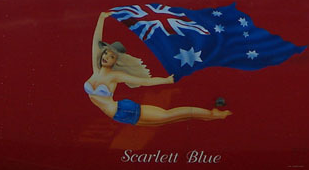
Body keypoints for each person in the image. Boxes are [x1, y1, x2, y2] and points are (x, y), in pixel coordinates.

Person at [86, 12, 231, 125]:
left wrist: (166, 81)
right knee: (170, 120)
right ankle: (209, 117)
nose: (106, 56)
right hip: (119, 117)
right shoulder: (96, 70)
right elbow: (95, 42)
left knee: (168, 115)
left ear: (116, 61)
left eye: (111, 56)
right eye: (106, 53)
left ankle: (212, 114)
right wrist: (101, 18)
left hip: (123, 110)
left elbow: (144, 81)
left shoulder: (114, 75)